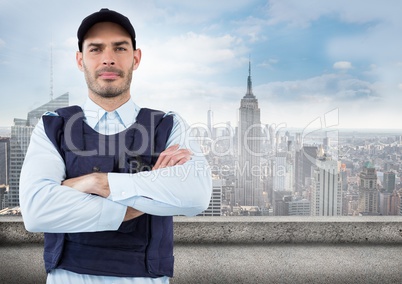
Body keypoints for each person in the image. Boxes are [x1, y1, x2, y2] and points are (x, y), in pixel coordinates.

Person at [19, 8, 212, 284]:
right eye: (95, 49)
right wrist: (150, 192)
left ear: (136, 58)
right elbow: (36, 212)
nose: (108, 59)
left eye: (119, 48)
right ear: (80, 60)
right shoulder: (53, 126)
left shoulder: (168, 125)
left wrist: (95, 182)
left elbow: (195, 195)